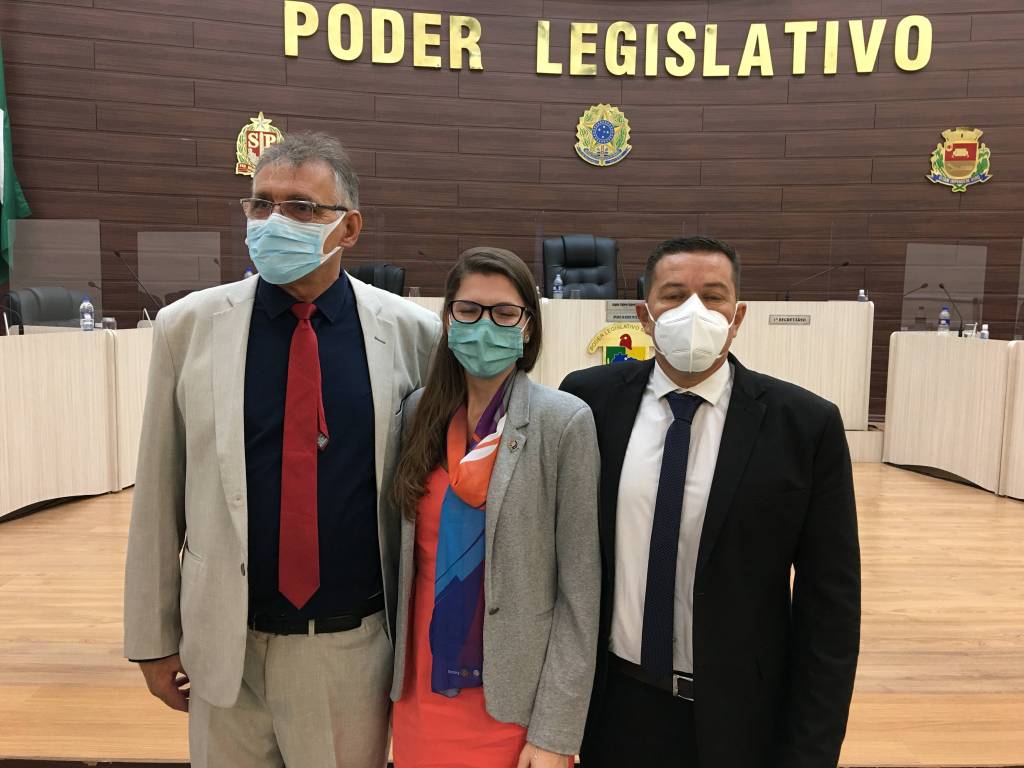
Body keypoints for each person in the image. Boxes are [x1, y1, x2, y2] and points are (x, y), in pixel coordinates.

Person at [123, 132, 440, 768]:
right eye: (261, 204)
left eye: (300, 207)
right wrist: (152, 638)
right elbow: (158, 491)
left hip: (351, 650)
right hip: (225, 646)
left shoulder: (413, 334)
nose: (273, 221)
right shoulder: (187, 327)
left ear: (349, 228)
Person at [561, 236, 860, 768]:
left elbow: (830, 609)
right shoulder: (588, 401)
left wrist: (811, 751)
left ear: (738, 316)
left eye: (714, 296)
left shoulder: (805, 425)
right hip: (610, 707)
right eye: (674, 295)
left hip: (740, 718)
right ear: (645, 315)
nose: (694, 310)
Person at [388, 247, 601, 768]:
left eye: (504, 313)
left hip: (512, 703)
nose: (484, 325)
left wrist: (555, 732)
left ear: (527, 327)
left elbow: (580, 594)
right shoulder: (418, 414)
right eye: (468, 310)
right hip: (422, 687)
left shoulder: (563, 422)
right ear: (448, 319)